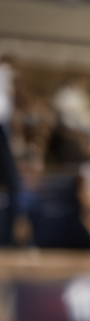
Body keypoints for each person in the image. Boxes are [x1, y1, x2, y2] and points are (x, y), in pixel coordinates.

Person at [0, 55, 21, 245]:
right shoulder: (4, 73)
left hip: (3, 133)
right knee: (14, 185)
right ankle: (8, 239)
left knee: (14, 187)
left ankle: (8, 238)